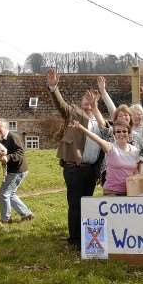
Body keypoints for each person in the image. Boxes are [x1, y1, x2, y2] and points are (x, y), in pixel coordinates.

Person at [46, 69, 103, 248]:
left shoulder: (99, 120)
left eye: (91, 100)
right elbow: (61, 105)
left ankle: (85, 238)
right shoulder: (74, 113)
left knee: (87, 203)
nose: (88, 103)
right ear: (81, 102)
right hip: (74, 167)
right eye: (85, 100)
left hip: (92, 169)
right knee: (76, 204)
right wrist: (54, 88)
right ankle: (74, 240)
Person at [73, 119, 143, 195]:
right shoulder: (110, 147)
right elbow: (97, 139)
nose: (121, 133)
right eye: (118, 131)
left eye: (124, 131)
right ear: (114, 134)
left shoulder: (135, 151)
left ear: (129, 133)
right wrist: (81, 128)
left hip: (130, 192)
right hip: (112, 192)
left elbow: (136, 171)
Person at [0, 118, 34, 223]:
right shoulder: (0, 139)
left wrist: (7, 158)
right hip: (12, 170)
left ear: (5, 127)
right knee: (10, 194)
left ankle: (6, 219)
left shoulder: (13, 137)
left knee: (3, 194)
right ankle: (27, 214)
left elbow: (20, 153)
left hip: (18, 170)